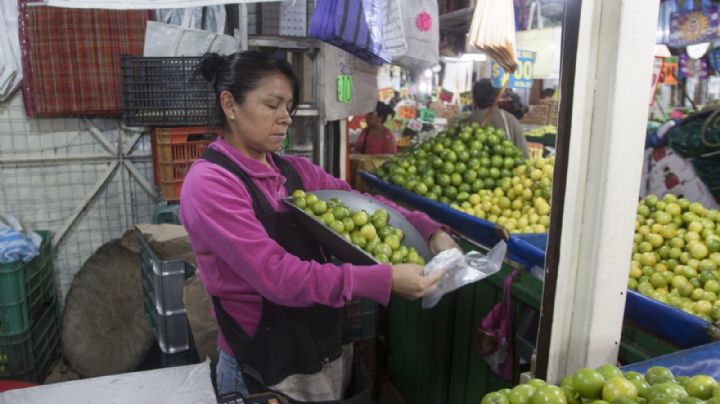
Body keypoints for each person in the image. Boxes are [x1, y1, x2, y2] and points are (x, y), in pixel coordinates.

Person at [179, 51, 458, 402]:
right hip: (264, 367)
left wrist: (431, 230)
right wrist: (383, 280)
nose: (285, 118)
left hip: (324, 349)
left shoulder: (295, 171)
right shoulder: (211, 184)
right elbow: (276, 276)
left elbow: (365, 205)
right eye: (272, 105)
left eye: (289, 107)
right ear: (230, 105)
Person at [462, 79, 529, 156]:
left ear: (474, 99)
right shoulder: (511, 120)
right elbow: (524, 155)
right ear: (497, 97)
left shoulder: (466, 122)